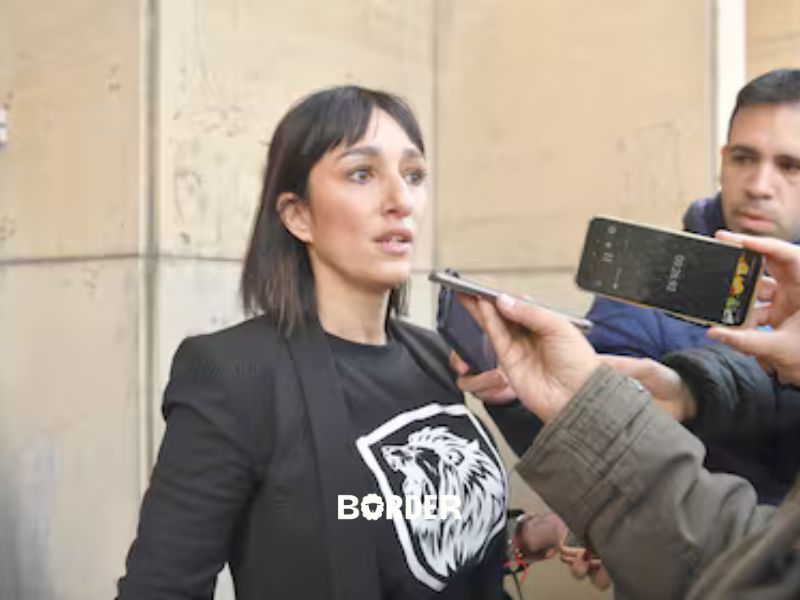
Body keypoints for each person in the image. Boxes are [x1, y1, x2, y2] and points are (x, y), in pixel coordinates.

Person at [116, 86, 511, 599]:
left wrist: (515, 533)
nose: (401, 200)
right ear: (298, 215)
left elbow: (409, 525)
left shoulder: (435, 356)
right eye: (362, 174)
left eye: (413, 175)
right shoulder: (234, 374)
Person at [459, 231, 800, 599]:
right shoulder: (642, 292)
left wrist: (611, 515)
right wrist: (690, 390)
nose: (761, 195)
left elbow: (755, 571)